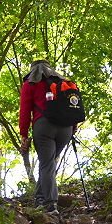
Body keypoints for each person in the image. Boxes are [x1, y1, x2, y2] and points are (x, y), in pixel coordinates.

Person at [19, 59, 74, 215]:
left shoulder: (30, 84)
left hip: (44, 127)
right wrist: (73, 128)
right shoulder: (63, 83)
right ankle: (40, 200)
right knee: (48, 164)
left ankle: (50, 205)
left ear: (32, 70)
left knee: (46, 165)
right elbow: (72, 106)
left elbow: (24, 112)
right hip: (66, 128)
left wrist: (24, 134)